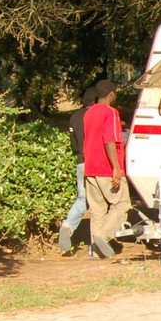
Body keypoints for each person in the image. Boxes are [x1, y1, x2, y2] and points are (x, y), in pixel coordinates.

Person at [82, 80, 130, 259]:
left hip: (90, 168)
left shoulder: (89, 113)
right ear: (111, 94)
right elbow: (110, 141)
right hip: (105, 167)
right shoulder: (110, 112)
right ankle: (102, 237)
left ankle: (96, 251)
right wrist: (116, 168)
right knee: (122, 203)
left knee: (97, 209)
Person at [57, 84, 93, 254]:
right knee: (102, 202)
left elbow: (74, 144)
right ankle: (98, 242)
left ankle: (68, 225)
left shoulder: (74, 117)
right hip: (96, 162)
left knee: (82, 198)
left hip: (81, 161)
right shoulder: (96, 115)